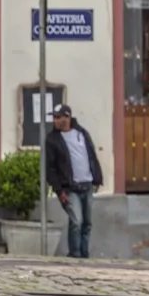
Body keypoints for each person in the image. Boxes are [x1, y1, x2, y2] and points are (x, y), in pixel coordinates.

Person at [44, 104, 103, 259]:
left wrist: (97, 177)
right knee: (76, 220)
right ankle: (74, 254)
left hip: (87, 184)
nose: (55, 121)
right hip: (69, 188)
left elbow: (91, 155)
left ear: (67, 118)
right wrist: (59, 190)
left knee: (87, 222)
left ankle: (84, 254)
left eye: (58, 117)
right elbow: (50, 168)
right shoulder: (52, 140)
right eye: (54, 118)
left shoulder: (81, 133)